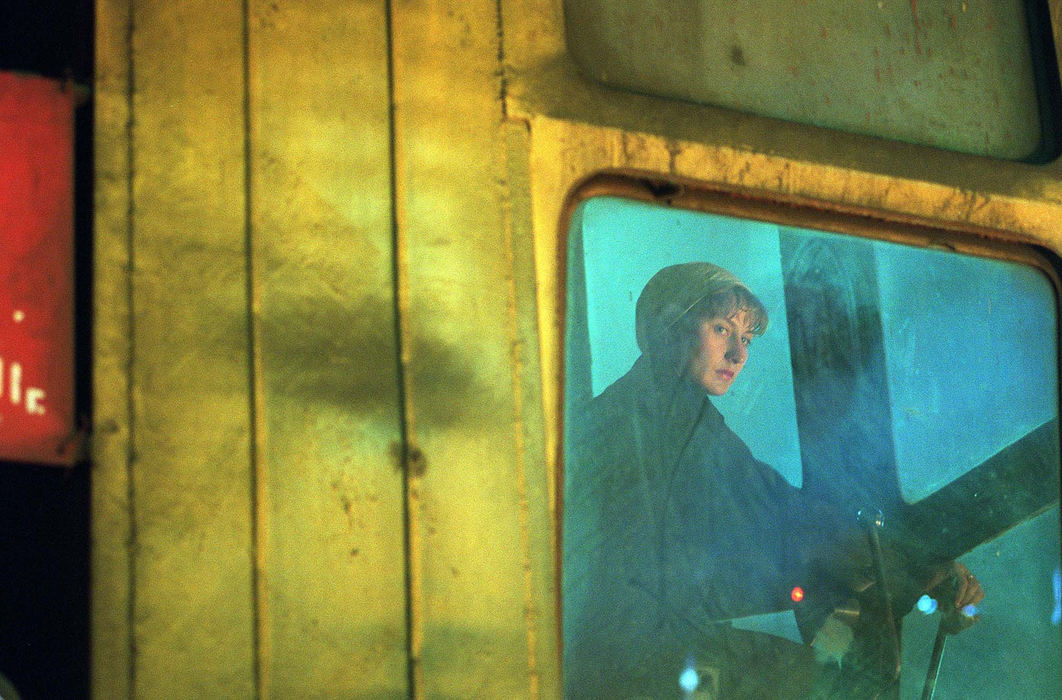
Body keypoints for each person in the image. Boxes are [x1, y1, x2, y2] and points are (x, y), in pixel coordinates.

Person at [562, 262, 983, 698]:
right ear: (667, 327)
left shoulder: (687, 423)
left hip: (642, 646)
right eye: (722, 329)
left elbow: (784, 515)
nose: (739, 355)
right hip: (625, 661)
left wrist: (918, 570)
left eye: (745, 339)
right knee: (843, 687)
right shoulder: (641, 426)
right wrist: (922, 567)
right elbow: (794, 527)